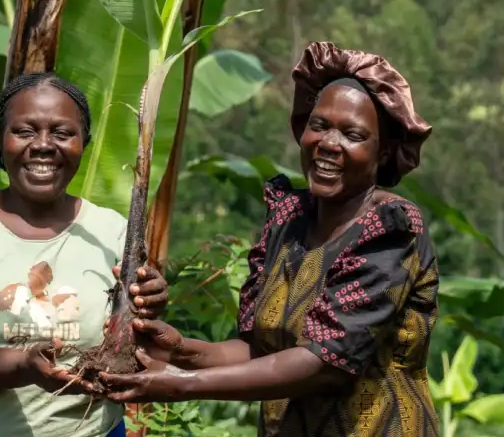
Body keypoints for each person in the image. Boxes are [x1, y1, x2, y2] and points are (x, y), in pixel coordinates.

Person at [98, 41, 441, 436]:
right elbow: (261, 351)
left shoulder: (391, 230)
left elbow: (323, 364)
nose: (329, 144)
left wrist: (178, 384)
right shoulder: (289, 219)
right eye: (320, 125)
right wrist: (180, 349)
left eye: (353, 134)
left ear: (382, 154)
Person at [0, 72, 169, 437]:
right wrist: (20, 366)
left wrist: (150, 306)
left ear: (84, 144)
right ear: (0, 139)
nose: (43, 145)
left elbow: (139, 355)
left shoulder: (113, 231)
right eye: (25, 131)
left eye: (62, 133)